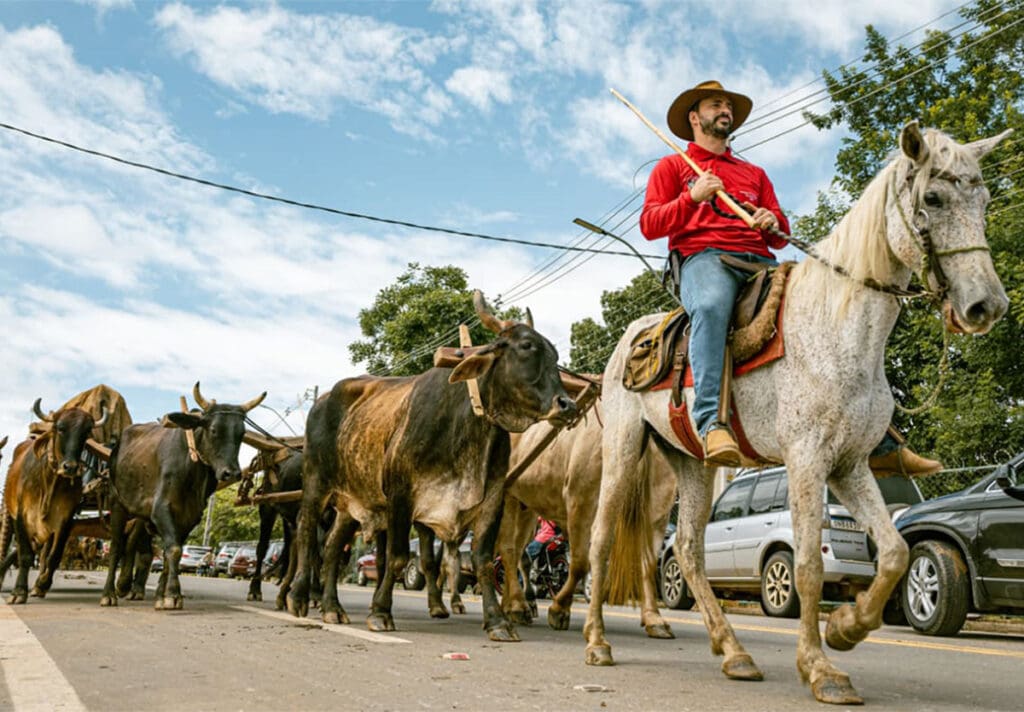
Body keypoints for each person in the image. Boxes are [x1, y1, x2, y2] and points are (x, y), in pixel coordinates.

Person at [640, 79, 942, 476]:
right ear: (695, 117)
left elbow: (777, 229)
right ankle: (711, 421)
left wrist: (770, 221)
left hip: (760, 260)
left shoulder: (754, 173)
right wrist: (691, 199)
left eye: (728, 105)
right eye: (716, 105)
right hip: (705, 259)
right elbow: (649, 224)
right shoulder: (674, 166)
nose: (725, 110)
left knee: (835, 312)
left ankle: (879, 436)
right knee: (712, 307)